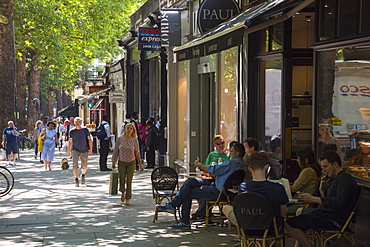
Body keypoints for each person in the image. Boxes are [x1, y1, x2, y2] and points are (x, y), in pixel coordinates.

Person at [156, 141, 247, 229]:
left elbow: (214, 169)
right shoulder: (242, 164)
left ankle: (183, 220)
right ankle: (173, 205)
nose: (230, 153)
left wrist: (199, 165)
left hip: (219, 191)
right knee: (191, 181)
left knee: (187, 192)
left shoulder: (232, 163)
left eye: (232, 152)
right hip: (222, 187)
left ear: (237, 153)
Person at [285, 150, 360, 247]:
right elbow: (329, 201)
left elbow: (339, 202)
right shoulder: (333, 179)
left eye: (325, 166)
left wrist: (314, 199)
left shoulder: (345, 179)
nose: (324, 170)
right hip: (327, 214)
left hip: (334, 218)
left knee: (289, 224)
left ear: (335, 164)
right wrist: (321, 190)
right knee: (299, 214)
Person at [222, 152, 288, 232]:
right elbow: (283, 214)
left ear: (249, 169)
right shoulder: (278, 188)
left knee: (226, 208)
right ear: (266, 167)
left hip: (248, 227)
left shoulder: (243, 188)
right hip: (272, 228)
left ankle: (248, 242)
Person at [112, 123, 144, 205]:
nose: (129, 130)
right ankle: (123, 192)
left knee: (129, 180)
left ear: (133, 131)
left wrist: (140, 164)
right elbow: (116, 151)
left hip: (131, 162)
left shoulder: (134, 140)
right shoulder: (120, 139)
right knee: (122, 179)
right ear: (125, 129)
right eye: (128, 128)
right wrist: (113, 161)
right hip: (121, 162)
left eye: (131, 128)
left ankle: (128, 198)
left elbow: (137, 152)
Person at [68, 117, 92, 187]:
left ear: (81, 122)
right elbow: (70, 141)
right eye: (76, 121)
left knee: (84, 166)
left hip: (84, 149)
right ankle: (76, 179)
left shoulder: (85, 130)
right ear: (74, 123)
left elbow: (89, 140)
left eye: (79, 121)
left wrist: (90, 149)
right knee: (75, 164)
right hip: (75, 149)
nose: (78, 123)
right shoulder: (72, 131)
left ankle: (83, 175)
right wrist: (69, 151)